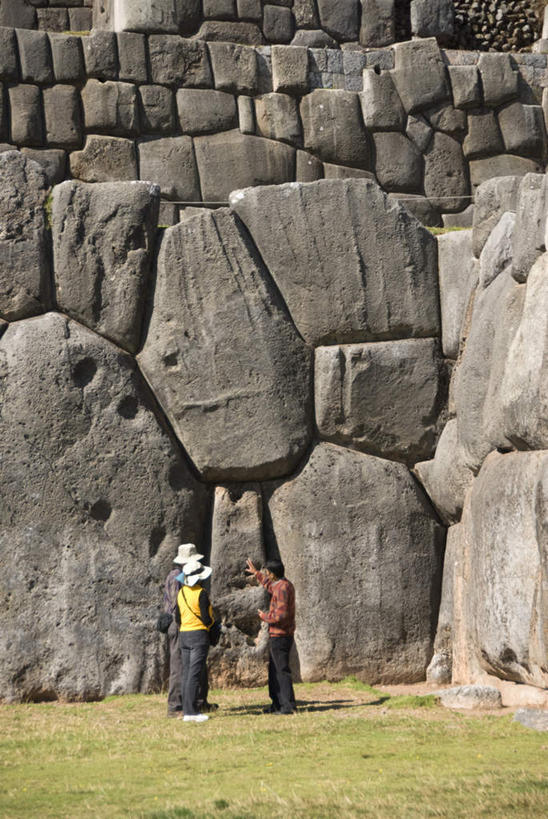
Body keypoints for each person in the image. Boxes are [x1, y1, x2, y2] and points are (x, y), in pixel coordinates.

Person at [245, 557, 296, 715]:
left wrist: (264, 617)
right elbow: (269, 586)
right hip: (279, 635)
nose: (266, 575)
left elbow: (280, 616)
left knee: (281, 671)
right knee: (274, 670)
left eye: (267, 573)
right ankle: (277, 703)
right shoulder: (282, 584)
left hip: (280, 636)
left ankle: (288, 706)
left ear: (273, 574)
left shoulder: (282, 589)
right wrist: (257, 574)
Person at [163, 543, 204, 718]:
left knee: (190, 665)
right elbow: (177, 605)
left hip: (180, 623)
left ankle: (196, 701)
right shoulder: (179, 577)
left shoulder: (174, 575)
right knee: (179, 665)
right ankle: (175, 706)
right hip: (179, 623)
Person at [177, 558, 215, 724]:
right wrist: (213, 625)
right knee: (194, 673)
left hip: (184, 634)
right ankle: (192, 711)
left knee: (186, 673)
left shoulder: (181, 592)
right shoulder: (202, 593)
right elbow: (207, 618)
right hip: (198, 634)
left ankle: (187, 710)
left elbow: (177, 617)